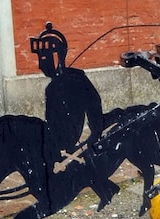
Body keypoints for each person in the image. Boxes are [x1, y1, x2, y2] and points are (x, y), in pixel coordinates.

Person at [30, 22, 118, 208]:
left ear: (58, 56)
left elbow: (93, 105)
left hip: (71, 138)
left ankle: (105, 189)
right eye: (41, 58)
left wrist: (95, 132)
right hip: (55, 138)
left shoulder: (76, 80)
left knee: (80, 165)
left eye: (45, 57)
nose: (42, 63)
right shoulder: (52, 87)